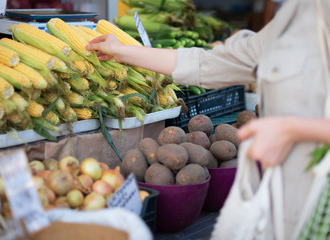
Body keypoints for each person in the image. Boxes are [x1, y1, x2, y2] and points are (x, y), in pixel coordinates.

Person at [86, 0, 330, 238]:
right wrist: (121, 51)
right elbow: (211, 63)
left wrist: (297, 129)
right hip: (295, 195)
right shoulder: (300, 12)